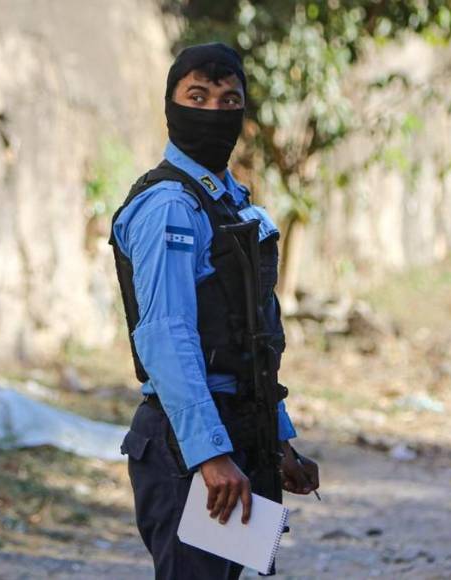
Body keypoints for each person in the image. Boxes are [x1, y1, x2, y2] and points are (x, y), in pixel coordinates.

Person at [109, 43, 320, 579]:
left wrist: (278, 440)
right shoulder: (169, 206)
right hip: (188, 446)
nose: (214, 110)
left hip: (239, 432)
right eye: (197, 96)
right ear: (171, 106)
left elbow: (252, 338)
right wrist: (209, 455)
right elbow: (165, 335)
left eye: (229, 100)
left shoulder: (230, 202)